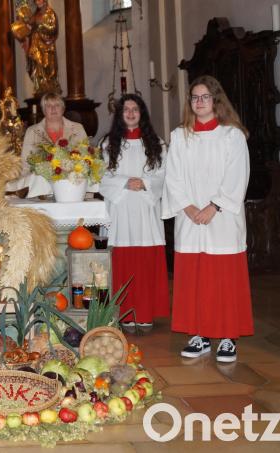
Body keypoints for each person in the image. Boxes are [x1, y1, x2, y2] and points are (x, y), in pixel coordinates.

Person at [162, 75, 253, 363]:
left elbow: (237, 175)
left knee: (223, 277)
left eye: (205, 97)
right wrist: (188, 208)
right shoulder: (180, 136)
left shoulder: (232, 136)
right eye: (194, 98)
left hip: (222, 218)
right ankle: (198, 335)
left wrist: (213, 206)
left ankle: (227, 337)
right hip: (189, 218)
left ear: (216, 100)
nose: (199, 102)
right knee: (194, 277)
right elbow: (173, 177)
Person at [99, 94, 169, 332]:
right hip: (121, 208)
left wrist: (146, 183)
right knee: (124, 261)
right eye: (125, 109)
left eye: (135, 109)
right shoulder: (109, 144)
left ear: (142, 113)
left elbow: (163, 174)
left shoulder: (156, 143)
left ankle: (145, 313)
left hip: (146, 208)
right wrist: (126, 183)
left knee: (145, 260)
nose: (130, 113)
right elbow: (102, 177)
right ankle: (126, 314)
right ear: (119, 114)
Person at [6, 92, 87, 198]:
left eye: (57, 105)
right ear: (44, 110)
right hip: (40, 184)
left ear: (63, 109)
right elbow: (25, 164)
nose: (53, 109)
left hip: (70, 182)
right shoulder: (32, 131)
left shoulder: (77, 128)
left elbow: (86, 157)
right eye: (49, 106)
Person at [12, 0, 60, 97]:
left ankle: (47, 86)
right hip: (35, 45)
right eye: (36, 0)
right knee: (35, 63)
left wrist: (39, 24)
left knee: (45, 65)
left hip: (46, 47)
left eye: (39, 0)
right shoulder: (35, 14)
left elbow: (53, 28)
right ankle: (39, 86)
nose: (38, 2)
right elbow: (29, 27)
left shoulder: (50, 13)